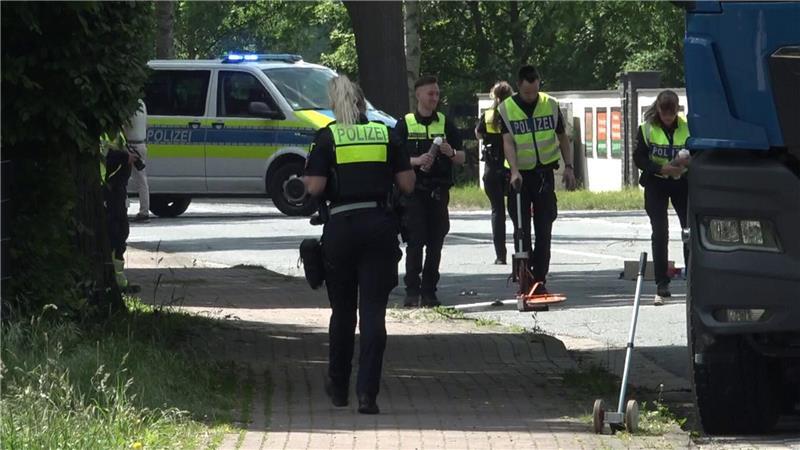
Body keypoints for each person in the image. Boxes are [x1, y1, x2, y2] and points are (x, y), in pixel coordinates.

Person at [303, 75, 415, 414]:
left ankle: (338, 386)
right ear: (363, 104)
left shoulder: (327, 138)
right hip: (379, 228)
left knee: (342, 312)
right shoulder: (386, 134)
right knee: (373, 314)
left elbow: (316, 187)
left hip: (341, 230)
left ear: (335, 106)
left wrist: (306, 180)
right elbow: (407, 184)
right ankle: (368, 394)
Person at [498, 65, 577, 294]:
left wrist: (569, 167)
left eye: (534, 91)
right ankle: (524, 277)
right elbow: (508, 142)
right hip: (519, 176)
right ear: (519, 87)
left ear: (539, 84)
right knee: (521, 228)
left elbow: (562, 137)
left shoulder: (550, 105)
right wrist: (514, 170)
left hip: (543, 173)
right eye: (527, 93)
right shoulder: (507, 108)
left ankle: (539, 278)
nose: (531, 96)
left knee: (544, 227)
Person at [393, 75, 465, 308]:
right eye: (430, 93)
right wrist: (416, 160)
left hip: (438, 192)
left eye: (437, 93)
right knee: (415, 242)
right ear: (418, 95)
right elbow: (394, 159)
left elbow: (463, 157)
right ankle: (412, 291)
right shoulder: (404, 124)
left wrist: (450, 152)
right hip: (414, 192)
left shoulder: (445, 122)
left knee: (436, 243)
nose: (435, 97)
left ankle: (430, 291)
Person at [633, 90, 690, 306]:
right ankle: (661, 283)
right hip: (656, 182)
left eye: (672, 113)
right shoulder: (647, 128)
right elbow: (639, 158)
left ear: (677, 109)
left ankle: (691, 278)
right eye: (665, 114)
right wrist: (660, 168)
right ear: (658, 109)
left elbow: (698, 152)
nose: (668, 117)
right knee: (660, 231)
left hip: (681, 182)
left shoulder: (687, 127)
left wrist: (685, 163)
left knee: (688, 231)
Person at [475, 81, 513, 265]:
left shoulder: (488, 115)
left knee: (497, 211)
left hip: (491, 168)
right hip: (511, 167)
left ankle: (500, 255)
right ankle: (523, 250)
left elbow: (478, 133)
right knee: (517, 211)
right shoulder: (513, 114)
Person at [100, 129, 140, 293]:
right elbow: (104, 158)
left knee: (121, 231)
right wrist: (125, 157)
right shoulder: (102, 134)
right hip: (108, 189)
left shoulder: (117, 133)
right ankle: (113, 280)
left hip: (118, 189)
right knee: (114, 231)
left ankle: (118, 279)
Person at [125, 99, 150, 223]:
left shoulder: (126, 104)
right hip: (141, 144)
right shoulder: (142, 104)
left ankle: (123, 207)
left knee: (121, 179)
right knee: (142, 181)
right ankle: (144, 211)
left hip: (130, 146)